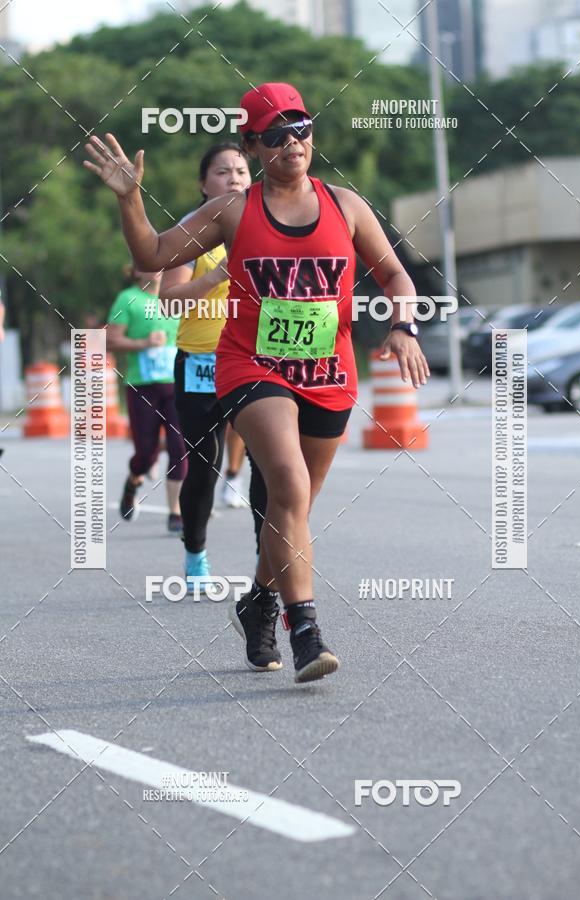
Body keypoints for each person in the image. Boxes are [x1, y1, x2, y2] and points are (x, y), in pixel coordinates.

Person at [83, 81, 429, 684]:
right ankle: (306, 629)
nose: (293, 141)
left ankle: (258, 601)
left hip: (328, 375)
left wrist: (403, 327)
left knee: (291, 509)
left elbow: (397, 275)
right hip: (252, 367)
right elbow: (155, 251)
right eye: (276, 134)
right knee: (287, 484)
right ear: (255, 146)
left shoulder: (345, 205)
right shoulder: (233, 211)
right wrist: (130, 200)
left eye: (301, 128)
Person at [159, 142, 266, 592]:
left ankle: (271, 561)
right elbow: (167, 301)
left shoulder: (268, 228)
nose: (235, 178)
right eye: (223, 172)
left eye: (241, 170)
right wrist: (217, 275)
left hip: (255, 361)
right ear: (203, 184)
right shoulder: (190, 232)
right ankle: (196, 555)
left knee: (267, 464)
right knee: (205, 465)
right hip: (200, 363)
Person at [106, 267, 187, 531]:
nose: (154, 270)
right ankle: (133, 480)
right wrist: (143, 343)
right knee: (146, 453)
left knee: (179, 447)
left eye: (159, 264)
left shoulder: (176, 298)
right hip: (143, 386)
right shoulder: (128, 299)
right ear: (135, 270)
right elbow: (110, 339)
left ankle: (175, 513)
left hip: (176, 385)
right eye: (147, 265)